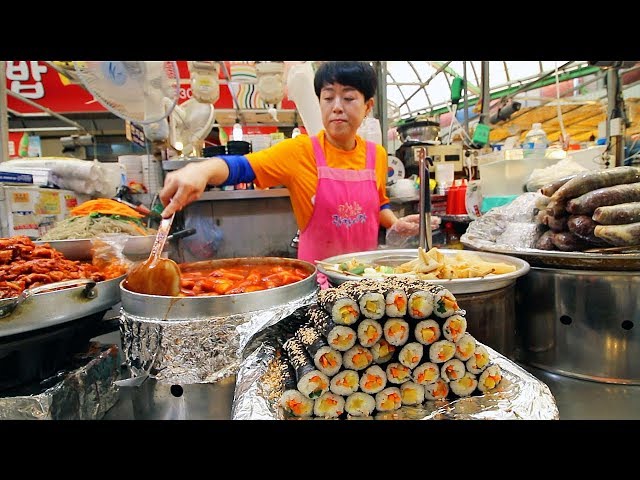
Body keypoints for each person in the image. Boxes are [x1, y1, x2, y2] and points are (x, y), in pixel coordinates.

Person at [159, 61, 422, 268]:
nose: (337, 107)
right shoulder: (301, 151)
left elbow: (378, 203)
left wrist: (393, 223)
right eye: (328, 98)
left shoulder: (376, 155)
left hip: (366, 278)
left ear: (368, 106)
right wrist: (202, 169)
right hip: (319, 283)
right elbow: (242, 167)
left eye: (349, 98)